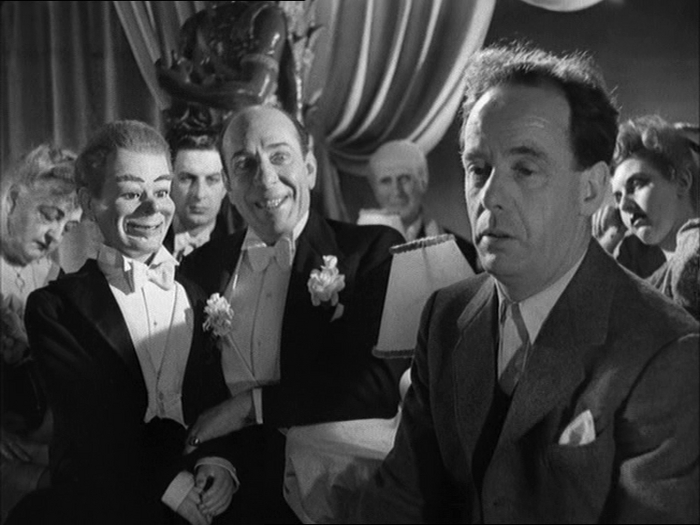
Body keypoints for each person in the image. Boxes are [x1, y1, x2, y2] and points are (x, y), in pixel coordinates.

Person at [356, 43, 699, 523]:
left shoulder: (667, 351)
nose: (490, 196)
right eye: (478, 169)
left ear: (591, 190)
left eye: (525, 168)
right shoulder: (446, 316)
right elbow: (399, 500)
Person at [178, 105, 408, 523]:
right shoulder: (199, 268)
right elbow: (192, 387)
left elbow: (378, 384)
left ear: (310, 169)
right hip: (227, 503)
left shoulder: (370, 252)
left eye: (279, 156)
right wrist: (215, 458)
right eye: (244, 164)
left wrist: (250, 406)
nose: (265, 178)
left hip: (330, 500)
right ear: (228, 185)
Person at [11, 120, 237, 525]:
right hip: (103, 503)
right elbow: (92, 422)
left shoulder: (197, 296)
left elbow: (211, 396)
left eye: (162, 191)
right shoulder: (55, 308)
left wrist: (218, 461)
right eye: (132, 193)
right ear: (89, 202)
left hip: (199, 496)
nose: (152, 209)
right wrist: (170, 484)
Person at [0, 144, 81, 522]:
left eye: (68, 227)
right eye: (50, 216)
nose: (55, 237)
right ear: (14, 199)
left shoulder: (50, 277)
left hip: (39, 438)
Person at [611, 115, 699, 319]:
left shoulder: (694, 249)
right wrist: (606, 241)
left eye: (636, 184)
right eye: (618, 196)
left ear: (682, 181)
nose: (623, 205)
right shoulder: (653, 284)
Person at [362, 140, 480, 272]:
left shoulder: (461, 252)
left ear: (423, 182)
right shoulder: (358, 254)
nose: (396, 191)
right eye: (385, 181)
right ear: (374, 188)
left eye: (404, 178)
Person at [163, 124, 241, 261]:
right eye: (187, 179)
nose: (199, 194)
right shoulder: (145, 242)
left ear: (226, 186)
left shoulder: (239, 251)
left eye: (212, 180)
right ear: (170, 182)